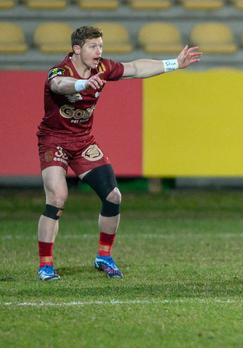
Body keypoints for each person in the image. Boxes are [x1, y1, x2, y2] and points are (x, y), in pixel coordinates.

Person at [36, 26, 201, 281]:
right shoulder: (61, 70)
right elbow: (58, 85)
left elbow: (134, 68)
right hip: (53, 141)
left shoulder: (102, 67)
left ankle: (104, 256)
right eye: (93, 47)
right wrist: (82, 83)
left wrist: (174, 63)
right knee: (57, 197)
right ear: (77, 50)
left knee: (113, 196)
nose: (98, 51)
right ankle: (45, 265)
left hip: (82, 142)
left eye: (100, 46)